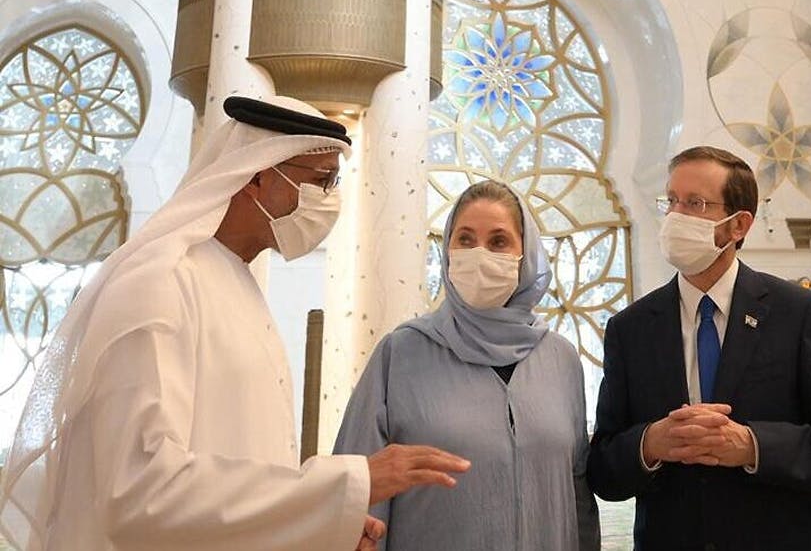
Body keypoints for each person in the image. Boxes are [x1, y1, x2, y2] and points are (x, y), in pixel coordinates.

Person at [0, 96, 470, 551]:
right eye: (321, 182)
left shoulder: (234, 282)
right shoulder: (160, 282)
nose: (330, 201)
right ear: (259, 177)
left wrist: (321, 527)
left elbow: (237, 469)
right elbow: (140, 491)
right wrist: (346, 484)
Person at [587, 145, 811, 550]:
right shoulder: (629, 329)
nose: (675, 216)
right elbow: (602, 469)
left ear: (738, 225)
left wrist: (752, 447)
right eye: (671, 201)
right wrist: (649, 444)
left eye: (696, 203)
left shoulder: (796, 314)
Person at [334, 179, 600, 551]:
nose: (479, 253)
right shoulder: (401, 353)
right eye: (465, 239)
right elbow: (359, 490)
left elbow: (577, 492)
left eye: (498, 241)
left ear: (526, 255)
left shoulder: (560, 358)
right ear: (446, 251)